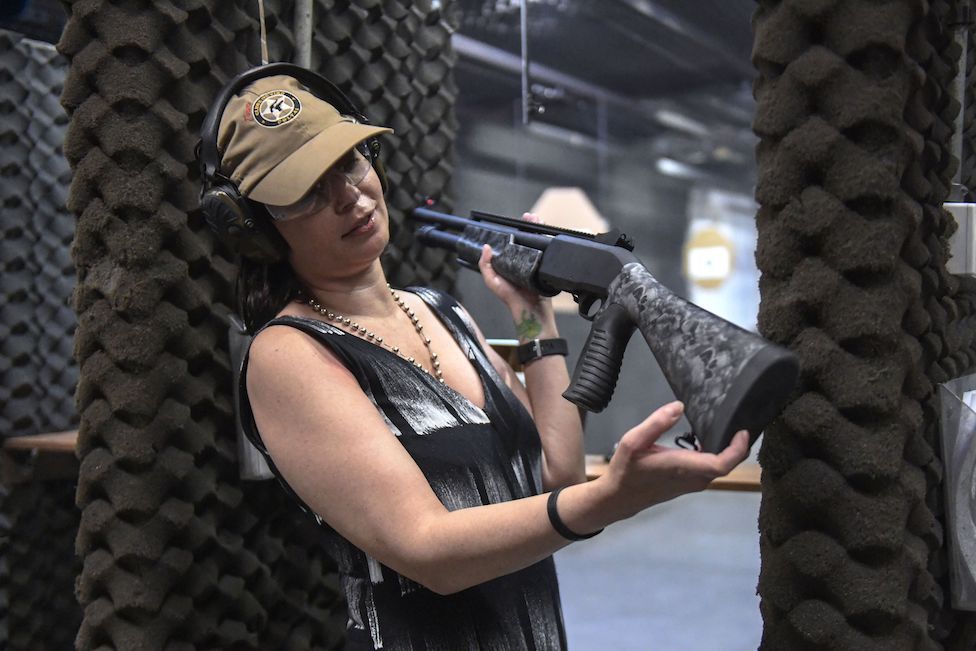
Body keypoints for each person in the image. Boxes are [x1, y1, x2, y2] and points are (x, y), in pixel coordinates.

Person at [204, 66, 750, 650]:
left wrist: (533, 316)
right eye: (307, 191)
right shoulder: (288, 354)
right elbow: (428, 550)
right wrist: (608, 499)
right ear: (256, 230)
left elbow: (554, 474)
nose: (348, 195)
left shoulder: (440, 311)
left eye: (350, 162)